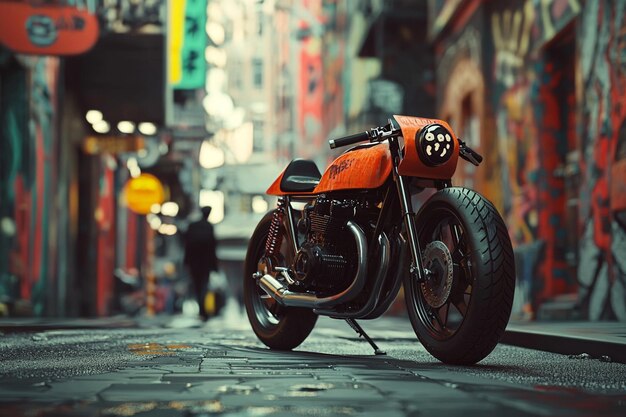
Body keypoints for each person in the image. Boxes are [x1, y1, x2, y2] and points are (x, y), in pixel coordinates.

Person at [183, 206, 218, 320]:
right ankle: (203, 310)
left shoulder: (193, 226)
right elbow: (212, 248)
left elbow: (187, 246)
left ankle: (201, 309)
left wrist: (186, 261)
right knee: (203, 286)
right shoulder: (209, 227)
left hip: (194, 262)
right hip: (205, 263)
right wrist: (214, 266)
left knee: (197, 286)